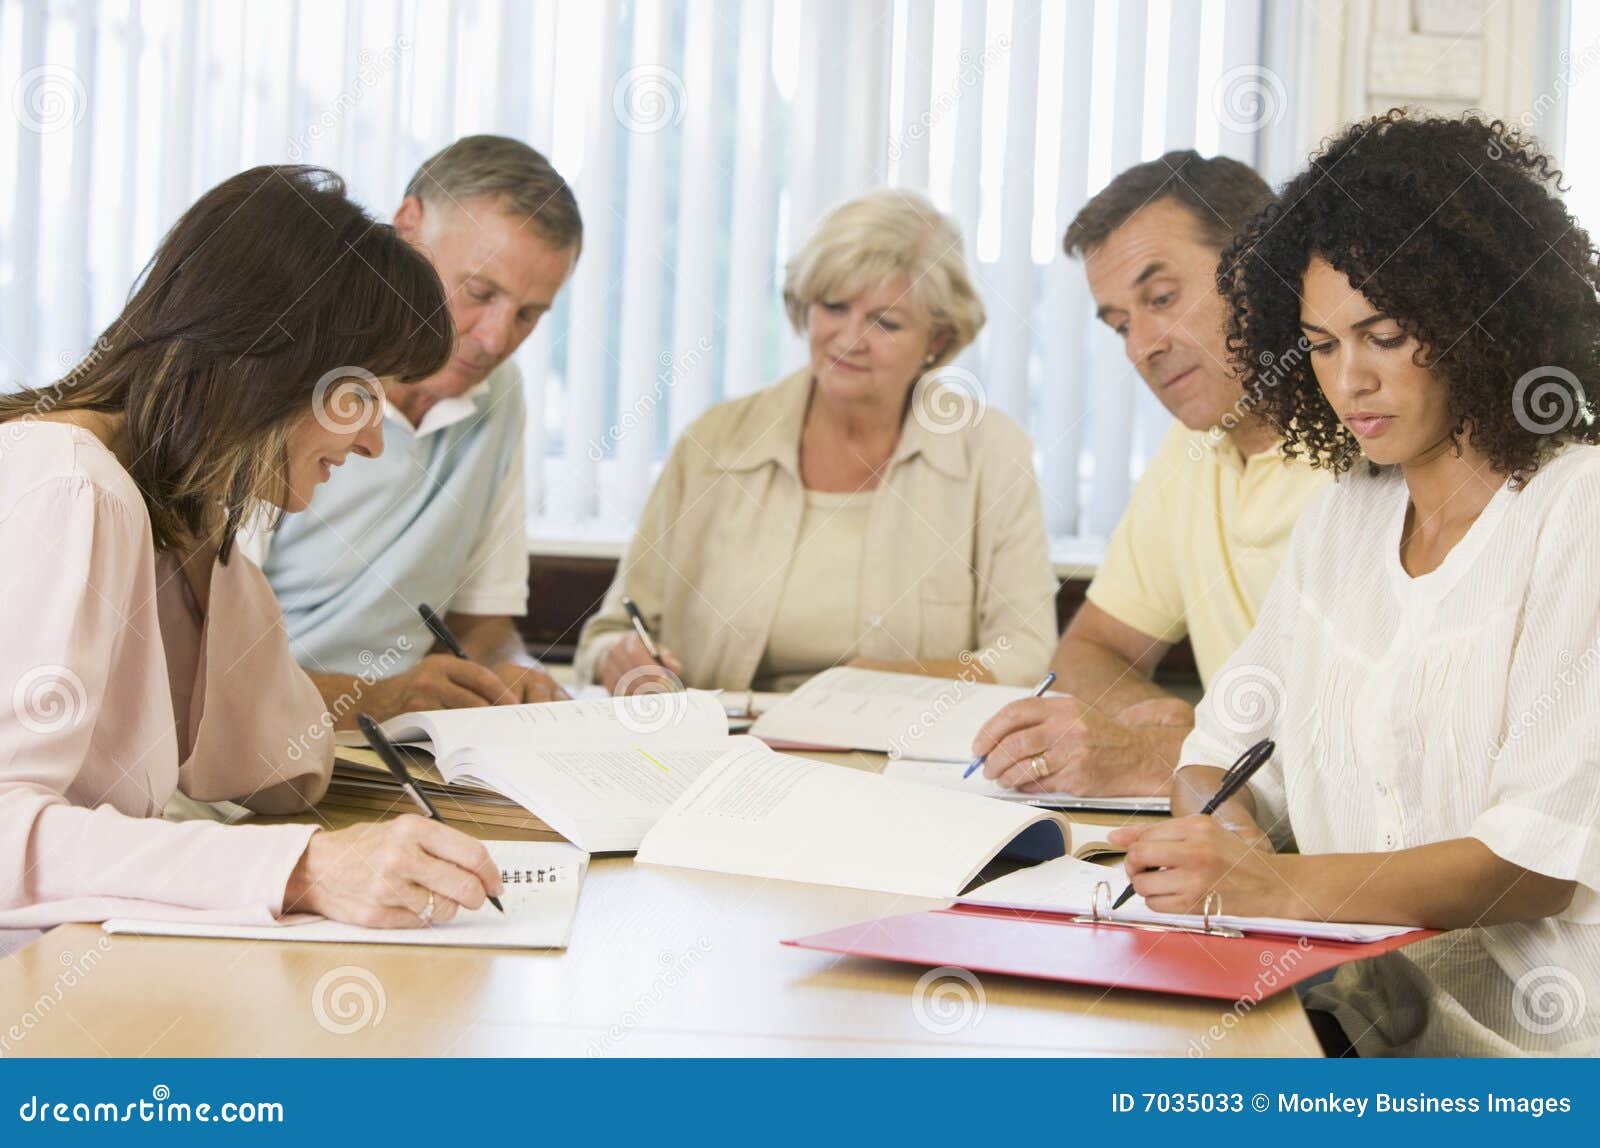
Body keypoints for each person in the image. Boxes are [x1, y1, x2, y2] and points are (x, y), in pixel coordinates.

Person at [1110, 112, 1600, 1056]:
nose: (1349, 381)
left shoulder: (1574, 511)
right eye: (1322, 344)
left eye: (1383, 336)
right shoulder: (1348, 516)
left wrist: (1269, 889)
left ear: (1479, 319)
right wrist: (1223, 838)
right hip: (1364, 1020)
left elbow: (1530, 863)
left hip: (1540, 1055)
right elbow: (1218, 756)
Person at [0, 167, 503, 933]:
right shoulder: (68, 485)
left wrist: (209, 548)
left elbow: (280, 771)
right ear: (276, 359)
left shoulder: (160, 504)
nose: (372, 440)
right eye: (365, 393)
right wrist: (305, 869)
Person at [575, 189, 1057, 694]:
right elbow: (611, 632)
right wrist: (622, 659)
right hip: (727, 750)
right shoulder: (712, 444)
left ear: (936, 339)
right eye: (833, 307)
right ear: (804, 307)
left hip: (900, 753)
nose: (850, 339)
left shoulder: (992, 453)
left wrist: (886, 684)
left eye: (886, 322)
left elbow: (1024, 651)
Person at [971, 151, 1330, 796]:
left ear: (1264, 267)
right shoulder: (1193, 448)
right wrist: (1166, 724)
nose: (1143, 347)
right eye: (1120, 326)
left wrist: (1164, 754)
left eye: (1161, 299)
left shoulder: (1377, 448)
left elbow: (1374, 757)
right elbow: (1088, 651)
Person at [239, 136, 582, 725]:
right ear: (406, 227)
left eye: (529, 314)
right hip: (247, 754)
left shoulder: (501, 398)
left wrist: (513, 673)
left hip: (389, 746)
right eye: (479, 293)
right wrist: (376, 699)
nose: (496, 340)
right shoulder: (281, 369)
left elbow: (483, 625)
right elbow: (201, 672)